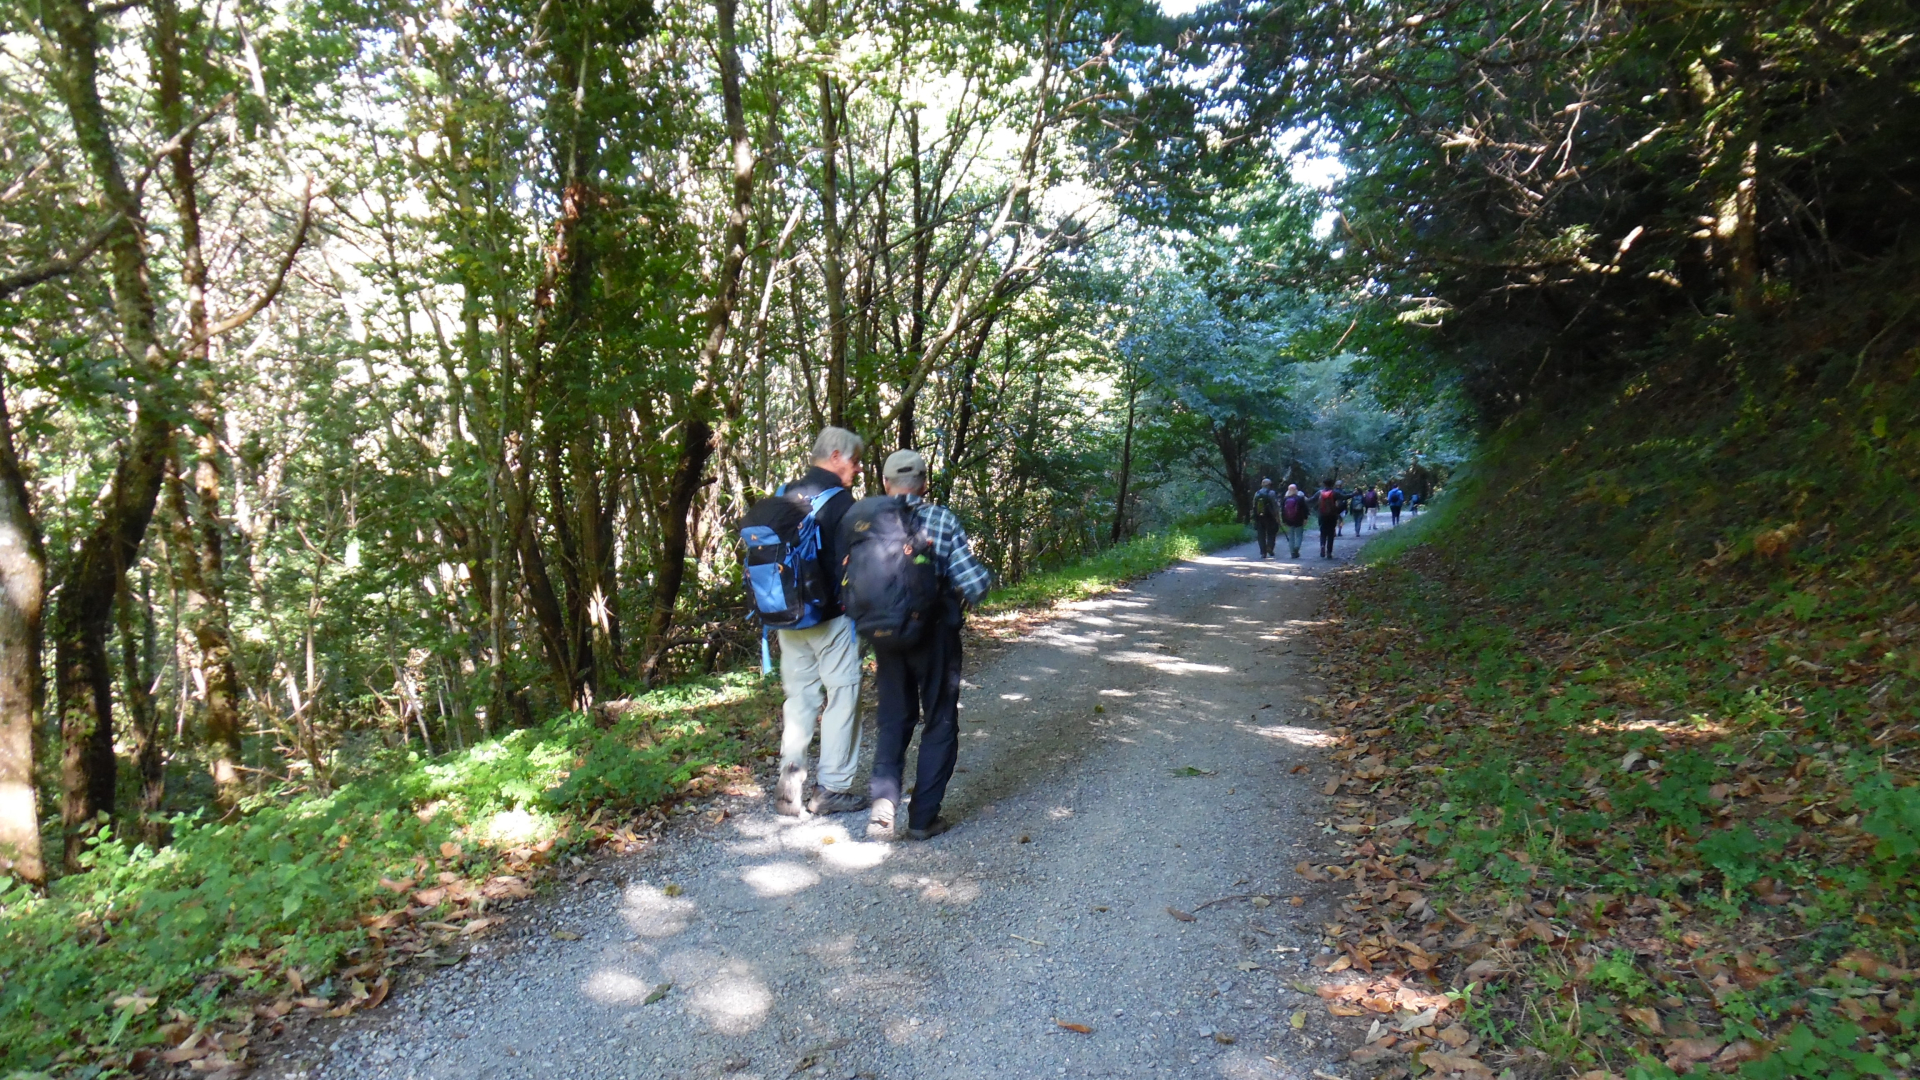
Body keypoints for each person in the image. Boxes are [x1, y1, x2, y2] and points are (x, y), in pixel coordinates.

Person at [860, 450, 992, 841]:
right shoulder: (942, 520)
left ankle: (882, 809)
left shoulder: (866, 521)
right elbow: (976, 585)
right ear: (925, 484)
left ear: (885, 484)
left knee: (893, 720)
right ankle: (922, 818)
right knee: (939, 720)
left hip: (884, 636)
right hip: (933, 634)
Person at [772, 428, 868, 818]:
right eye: (855, 461)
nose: (858, 469)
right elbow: (854, 563)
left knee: (799, 698)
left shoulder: (784, 494)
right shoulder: (841, 502)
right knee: (843, 695)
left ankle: (790, 783)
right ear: (835, 456)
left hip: (787, 617)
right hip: (831, 619)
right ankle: (832, 788)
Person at [1251, 478, 1283, 559]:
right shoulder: (1272, 493)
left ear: (1262, 485)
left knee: (1261, 535)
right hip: (1270, 516)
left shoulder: (1257, 493)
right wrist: (1277, 517)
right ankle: (1270, 547)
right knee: (1271, 533)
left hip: (1259, 517)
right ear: (1269, 485)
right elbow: (1275, 506)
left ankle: (1263, 552)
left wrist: (1254, 517)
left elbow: (1254, 506)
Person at [1314, 478, 1344, 559]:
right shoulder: (1334, 493)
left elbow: (1311, 500)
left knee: (1323, 532)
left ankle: (1322, 546)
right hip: (1332, 516)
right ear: (1332, 484)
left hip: (1322, 515)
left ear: (1324, 484)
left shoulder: (1319, 493)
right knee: (1331, 533)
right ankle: (1329, 552)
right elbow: (1344, 497)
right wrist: (1353, 494)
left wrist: (1303, 498)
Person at [1280, 483, 1310, 559]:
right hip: (1299, 520)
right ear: (1296, 490)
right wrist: (1305, 518)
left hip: (1289, 520)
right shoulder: (1300, 498)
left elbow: (1283, 511)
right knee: (1299, 535)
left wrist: (1284, 520)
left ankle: (1292, 552)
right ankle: (1297, 547)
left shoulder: (1285, 499)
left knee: (1291, 536)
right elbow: (1304, 510)